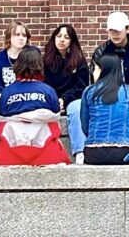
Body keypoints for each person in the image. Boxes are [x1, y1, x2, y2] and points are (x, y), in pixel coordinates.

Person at [0, 48, 70, 166]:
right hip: (47, 155)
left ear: (18, 65)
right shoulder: (48, 91)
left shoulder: (6, 93)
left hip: (9, 155)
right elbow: (56, 116)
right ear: (39, 65)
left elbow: (2, 118)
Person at [79, 54, 129, 165]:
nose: (93, 72)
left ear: (102, 70)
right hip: (125, 153)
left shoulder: (89, 91)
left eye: (95, 68)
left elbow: (85, 125)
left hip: (93, 154)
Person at [90, 11, 129, 118]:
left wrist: (126, 96)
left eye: (118, 30)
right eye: (111, 30)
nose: (115, 34)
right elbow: (95, 81)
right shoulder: (100, 52)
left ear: (128, 29)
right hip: (107, 99)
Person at [43, 24, 90, 163]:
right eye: (58, 36)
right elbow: (43, 84)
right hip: (50, 99)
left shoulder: (79, 61)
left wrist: (63, 99)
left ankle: (80, 151)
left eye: (66, 37)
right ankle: (44, 151)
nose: (62, 40)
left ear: (71, 41)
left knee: (77, 108)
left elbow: (81, 87)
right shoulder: (45, 60)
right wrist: (54, 100)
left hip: (72, 99)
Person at [0, 21, 32, 147]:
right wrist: (5, 99)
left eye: (24, 35)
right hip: (2, 99)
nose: (21, 38)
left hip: (25, 99)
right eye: (17, 34)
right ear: (9, 37)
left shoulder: (31, 57)